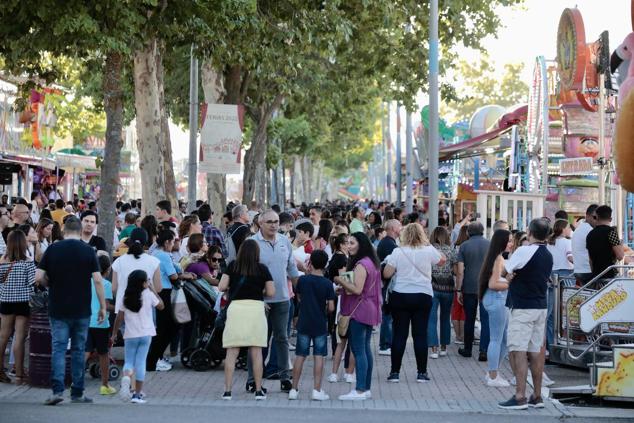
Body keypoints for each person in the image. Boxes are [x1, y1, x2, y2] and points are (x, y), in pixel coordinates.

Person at [36, 217, 106, 405]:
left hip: (58, 306)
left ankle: (58, 391)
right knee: (78, 349)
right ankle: (77, 392)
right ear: (79, 229)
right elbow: (98, 280)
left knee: (58, 348)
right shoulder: (88, 251)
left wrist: (49, 283)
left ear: (65, 231)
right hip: (82, 308)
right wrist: (102, 306)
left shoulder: (53, 249)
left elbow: (39, 276)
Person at [498, 218, 552, 410]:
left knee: (517, 349)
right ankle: (537, 395)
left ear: (530, 232)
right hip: (540, 306)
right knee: (535, 350)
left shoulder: (524, 250)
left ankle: (519, 395)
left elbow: (505, 272)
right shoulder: (548, 254)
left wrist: (511, 277)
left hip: (522, 306)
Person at [383, 223, 445, 383]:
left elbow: (386, 273)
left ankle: (394, 373)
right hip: (423, 296)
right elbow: (442, 260)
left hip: (401, 295)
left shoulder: (398, 251)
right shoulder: (428, 250)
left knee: (400, 335)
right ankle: (422, 373)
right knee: (420, 335)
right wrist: (428, 244)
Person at [246, 210, 300, 393]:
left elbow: (292, 268)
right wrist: (258, 297)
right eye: (269, 221)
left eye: (276, 221)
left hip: (283, 299)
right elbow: (246, 273)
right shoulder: (251, 243)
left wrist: (300, 291)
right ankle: (253, 379)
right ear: (260, 223)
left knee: (282, 339)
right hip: (259, 301)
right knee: (258, 341)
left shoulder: (285, 241)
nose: (274, 225)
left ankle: (285, 377)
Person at [219, 239, 275, 400]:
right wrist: (258, 290)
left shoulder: (232, 266)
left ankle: (227, 391)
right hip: (256, 309)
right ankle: (258, 390)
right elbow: (271, 292)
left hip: (236, 309)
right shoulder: (262, 269)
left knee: (232, 351)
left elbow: (222, 287)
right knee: (256, 352)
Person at [334, 232, 382, 401]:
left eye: (352, 242)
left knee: (359, 350)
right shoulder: (371, 262)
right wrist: (344, 287)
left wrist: (339, 280)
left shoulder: (362, 264)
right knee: (365, 349)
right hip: (369, 309)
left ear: (361, 244)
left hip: (359, 311)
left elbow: (357, 289)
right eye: (347, 242)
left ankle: (360, 389)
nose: (348, 246)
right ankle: (365, 388)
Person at [288, 250, 336, 401]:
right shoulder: (328, 284)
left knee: (300, 356)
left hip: (304, 322)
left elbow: (300, 297)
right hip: (320, 324)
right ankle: (316, 390)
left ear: (310, 263)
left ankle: (294, 389)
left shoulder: (303, 281)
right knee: (319, 356)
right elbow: (331, 308)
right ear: (325, 265)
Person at [111, 270, 164, 404]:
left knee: (129, 361)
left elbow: (119, 317)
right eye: (147, 280)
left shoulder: (125, 297)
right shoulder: (148, 295)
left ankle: (127, 377)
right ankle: (137, 395)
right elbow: (161, 306)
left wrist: (114, 333)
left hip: (130, 334)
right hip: (146, 333)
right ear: (143, 283)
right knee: (140, 362)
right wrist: (153, 290)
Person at [147, 230, 196, 371]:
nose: (174, 244)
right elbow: (173, 275)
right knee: (168, 328)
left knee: (165, 328)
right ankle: (154, 359)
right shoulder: (163, 255)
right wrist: (185, 276)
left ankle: (156, 358)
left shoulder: (157, 253)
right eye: (173, 241)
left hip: (160, 292)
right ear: (167, 242)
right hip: (164, 293)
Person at [0, 231, 36, 384]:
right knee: (19, 337)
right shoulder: (28, 261)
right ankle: (20, 374)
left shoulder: (2, 261)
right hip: (23, 302)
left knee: (3, 337)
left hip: (5, 301)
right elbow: (33, 284)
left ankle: (0, 371)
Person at [479, 229, 513, 387]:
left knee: (503, 339)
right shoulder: (498, 258)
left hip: (496, 299)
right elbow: (493, 284)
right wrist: (509, 283)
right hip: (497, 299)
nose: (512, 244)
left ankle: (493, 372)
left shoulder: (495, 257)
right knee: (496, 339)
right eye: (509, 240)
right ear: (502, 242)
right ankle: (493, 376)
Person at [456, 222, 490, 361]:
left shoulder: (464, 246)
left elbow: (459, 271)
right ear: (482, 231)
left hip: (469, 287)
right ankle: (484, 351)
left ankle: (468, 349)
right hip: (486, 286)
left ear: (469, 232)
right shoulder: (489, 244)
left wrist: (458, 289)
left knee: (469, 319)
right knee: (485, 319)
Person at [85, 254, 117, 395]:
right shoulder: (106, 284)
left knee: (85, 352)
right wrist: (118, 308)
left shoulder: (85, 282)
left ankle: (75, 381)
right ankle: (105, 385)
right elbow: (107, 305)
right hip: (101, 323)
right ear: (108, 269)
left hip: (85, 321)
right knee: (103, 353)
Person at [326, 233, 355, 382]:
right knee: (347, 338)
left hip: (338, 298)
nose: (349, 246)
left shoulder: (335, 257)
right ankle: (348, 373)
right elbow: (346, 281)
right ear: (341, 245)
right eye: (347, 243)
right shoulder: (342, 259)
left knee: (340, 338)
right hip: (343, 300)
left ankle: (334, 373)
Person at [428, 226, 457, 359]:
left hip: (432, 287)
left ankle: (434, 349)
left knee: (432, 319)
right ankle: (444, 347)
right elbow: (456, 271)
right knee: (445, 318)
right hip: (448, 288)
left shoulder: (429, 250)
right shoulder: (451, 250)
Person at [546, 219, 574, 348]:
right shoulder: (567, 242)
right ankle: (568, 338)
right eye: (568, 227)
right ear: (563, 229)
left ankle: (551, 342)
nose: (570, 229)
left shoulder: (549, 242)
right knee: (569, 307)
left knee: (551, 311)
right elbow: (570, 257)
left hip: (551, 274)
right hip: (566, 274)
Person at [376, 219, 402, 356]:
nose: (401, 227)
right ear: (392, 228)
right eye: (399, 225)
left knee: (388, 314)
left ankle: (386, 343)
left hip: (386, 284)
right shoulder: (389, 245)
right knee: (388, 315)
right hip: (387, 285)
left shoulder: (388, 243)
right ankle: (385, 344)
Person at [586, 205, 625, 280]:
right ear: (610, 219)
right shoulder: (611, 232)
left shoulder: (590, 234)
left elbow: (590, 260)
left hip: (596, 276)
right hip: (610, 275)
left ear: (596, 217)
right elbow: (620, 256)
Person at [451, 225, 469, 344]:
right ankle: (463, 336)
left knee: (456, 308)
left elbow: (454, 268)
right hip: (467, 281)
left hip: (455, 281)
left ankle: (457, 336)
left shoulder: (455, 247)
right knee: (464, 310)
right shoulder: (469, 247)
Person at [571, 204, 598, 284]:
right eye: (594, 217)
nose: (596, 220)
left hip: (578, 270)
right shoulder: (590, 231)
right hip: (588, 271)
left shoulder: (578, 229)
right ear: (587, 216)